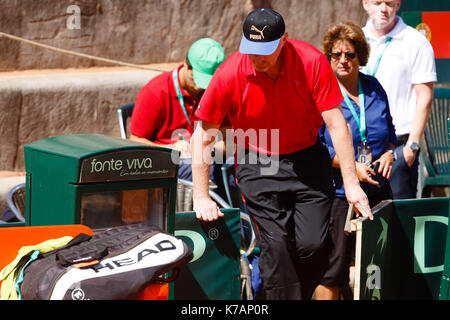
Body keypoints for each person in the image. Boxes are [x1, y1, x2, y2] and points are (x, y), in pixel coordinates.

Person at [190, 8, 373, 300]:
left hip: (307, 159)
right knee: (276, 249)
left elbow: (337, 125)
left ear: (284, 40)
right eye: (251, 49)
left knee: (312, 245)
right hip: (256, 161)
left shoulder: (311, 61)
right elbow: (203, 133)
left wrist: (351, 184)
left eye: (265, 50)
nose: (257, 57)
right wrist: (201, 195)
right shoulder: (229, 72)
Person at [315, 21, 397, 300]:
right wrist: (350, 167)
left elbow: (390, 130)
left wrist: (390, 152)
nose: (343, 60)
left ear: (360, 56)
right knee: (334, 269)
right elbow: (316, 146)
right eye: (336, 55)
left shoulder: (374, 87)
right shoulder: (321, 91)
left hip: (377, 189)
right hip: (338, 194)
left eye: (350, 54)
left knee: (380, 263)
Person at [361, 0, 437, 199]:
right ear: (365, 4)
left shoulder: (415, 41)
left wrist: (412, 146)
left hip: (399, 148)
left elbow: (425, 97)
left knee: (400, 221)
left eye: (389, 3)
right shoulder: (356, 41)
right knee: (361, 223)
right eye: (377, 2)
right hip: (361, 147)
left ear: (398, 4)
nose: (383, 9)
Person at [129, 37, 226, 182]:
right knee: (210, 172)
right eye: (199, 80)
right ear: (187, 65)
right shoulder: (155, 91)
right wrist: (169, 149)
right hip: (171, 162)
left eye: (209, 81)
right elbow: (135, 140)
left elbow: (229, 132)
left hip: (209, 155)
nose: (203, 88)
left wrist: (215, 147)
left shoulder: (216, 89)